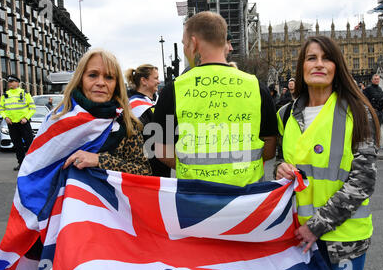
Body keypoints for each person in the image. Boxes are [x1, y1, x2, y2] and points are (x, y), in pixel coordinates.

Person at [275, 36, 380, 270]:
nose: (319, 64)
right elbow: (284, 162)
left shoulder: (357, 111)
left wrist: (316, 226)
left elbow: (363, 181)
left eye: (327, 58)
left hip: (344, 241)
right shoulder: (286, 114)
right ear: (302, 67)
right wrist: (280, 169)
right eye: (312, 58)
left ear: (337, 67)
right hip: (298, 238)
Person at [153, 11, 277, 187]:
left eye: (185, 43)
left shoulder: (173, 89)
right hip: (248, 200)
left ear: (194, 43)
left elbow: (161, 150)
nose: (185, 48)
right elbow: (270, 148)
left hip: (196, 199)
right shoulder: (256, 87)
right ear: (223, 42)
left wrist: (190, 167)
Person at [58, 49, 152, 175]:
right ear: (80, 80)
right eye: (92, 75)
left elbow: (144, 172)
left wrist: (100, 161)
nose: (101, 83)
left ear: (116, 84)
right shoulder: (58, 118)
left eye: (109, 77)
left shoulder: (127, 123)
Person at [125, 64, 170, 177]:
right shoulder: (134, 106)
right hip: (147, 166)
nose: (159, 81)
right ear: (144, 81)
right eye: (155, 78)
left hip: (163, 163)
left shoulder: (155, 101)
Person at [0, 76, 36, 170]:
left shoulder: (24, 93)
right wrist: (5, 117)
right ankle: (21, 163)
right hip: (12, 125)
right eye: (9, 82)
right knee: (17, 145)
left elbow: (32, 108)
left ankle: (33, 164)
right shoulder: (5, 95)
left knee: (30, 144)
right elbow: (1, 109)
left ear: (17, 83)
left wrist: (26, 118)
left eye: (12, 81)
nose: (10, 83)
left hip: (23, 123)